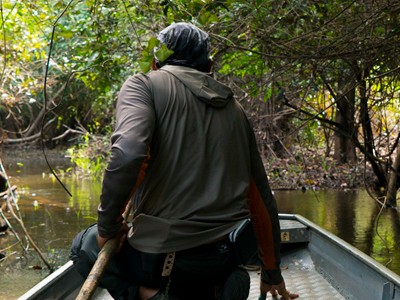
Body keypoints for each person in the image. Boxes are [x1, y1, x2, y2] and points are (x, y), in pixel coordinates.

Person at [71, 22, 298, 300]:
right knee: (220, 260)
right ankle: (220, 286)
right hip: (225, 256)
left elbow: (130, 156)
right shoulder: (235, 109)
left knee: (82, 245)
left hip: (164, 261)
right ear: (209, 65)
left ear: (155, 62)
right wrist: (272, 273)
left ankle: (146, 295)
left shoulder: (143, 85)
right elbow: (260, 199)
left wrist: (108, 227)